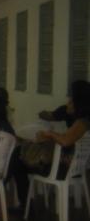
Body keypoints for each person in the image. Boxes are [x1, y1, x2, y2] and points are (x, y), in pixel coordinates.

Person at [9, 80, 90, 211]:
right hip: (73, 166)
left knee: (19, 160)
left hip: (62, 168)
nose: (69, 100)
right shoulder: (84, 120)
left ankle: (23, 205)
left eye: (72, 97)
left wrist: (50, 134)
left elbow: (65, 141)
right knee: (20, 156)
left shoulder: (82, 122)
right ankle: (11, 186)